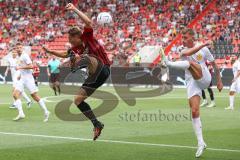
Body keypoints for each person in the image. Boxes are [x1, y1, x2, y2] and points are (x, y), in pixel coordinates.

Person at [42, 3, 111, 140]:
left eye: (70, 39)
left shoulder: (87, 37)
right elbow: (64, 54)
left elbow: (88, 22)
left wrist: (74, 9)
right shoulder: (75, 49)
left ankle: (76, 65)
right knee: (78, 100)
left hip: (103, 68)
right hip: (95, 75)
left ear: (77, 37)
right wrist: (50, 51)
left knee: (82, 57)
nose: (69, 41)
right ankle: (97, 124)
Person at [160, 28, 223, 158]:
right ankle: (201, 143)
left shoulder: (204, 50)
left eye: (185, 37)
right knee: (194, 111)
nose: (183, 40)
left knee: (190, 63)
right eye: (182, 38)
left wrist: (219, 81)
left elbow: (215, 66)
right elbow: (189, 52)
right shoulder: (183, 50)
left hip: (204, 77)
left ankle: (169, 64)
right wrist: (204, 43)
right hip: (192, 82)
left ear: (192, 37)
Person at [13, 43, 50, 122]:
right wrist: (20, 74)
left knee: (34, 96)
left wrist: (20, 67)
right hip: (22, 79)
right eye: (17, 48)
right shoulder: (18, 57)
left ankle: (46, 111)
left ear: (22, 48)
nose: (19, 49)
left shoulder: (25, 55)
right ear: (16, 49)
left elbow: (31, 66)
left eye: (20, 47)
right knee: (15, 94)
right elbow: (23, 68)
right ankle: (21, 113)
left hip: (29, 79)